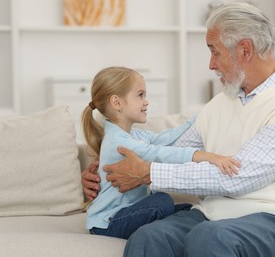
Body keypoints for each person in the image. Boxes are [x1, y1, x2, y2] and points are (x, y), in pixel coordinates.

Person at [82, 2, 275, 257]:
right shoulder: (222, 103)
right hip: (212, 215)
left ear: (245, 50)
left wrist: (147, 173)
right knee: (149, 237)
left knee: (211, 237)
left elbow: (240, 178)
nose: (211, 64)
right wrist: (110, 171)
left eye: (215, 52)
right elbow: (172, 152)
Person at [81, 66, 240, 240]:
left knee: (190, 209)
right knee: (162, 201)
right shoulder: (118, 141)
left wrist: (201, 117)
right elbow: (159, 153)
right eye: (140, 95)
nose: (146, 101)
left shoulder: (134, 134)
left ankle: (164, 227)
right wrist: (208, 156)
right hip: (108, 223)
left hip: (126, 213)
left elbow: (166, 138)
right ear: (117, 103)